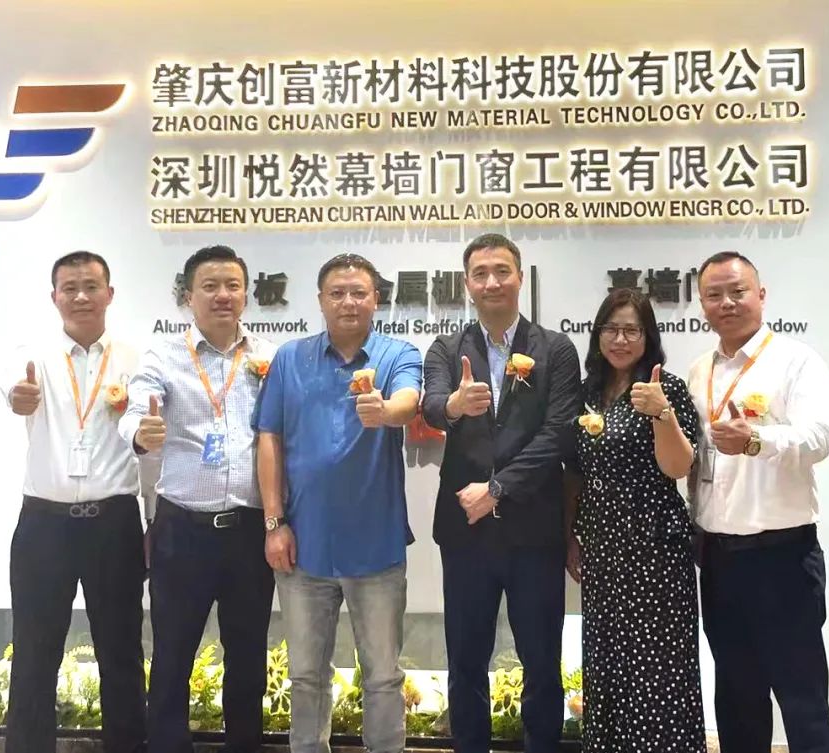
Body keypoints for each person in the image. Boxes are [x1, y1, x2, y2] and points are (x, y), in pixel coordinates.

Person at [421, 233, 580, 753]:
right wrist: (454, 406)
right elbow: (431, 405)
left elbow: (559, 433)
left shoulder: (555, 349)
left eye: (501, 271)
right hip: (466, 533)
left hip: (533, 531)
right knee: (466, 661)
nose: (492, 282)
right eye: (481, 273)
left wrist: (497, 489)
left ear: (520, 277)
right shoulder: (447, 348)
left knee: (541, 661)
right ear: (467, 284)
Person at [257, 253, 421, 753]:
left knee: (383, 676)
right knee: (306, 676)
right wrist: (274, 523)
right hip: (303, 547)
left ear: (376, 299)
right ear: (321, 300)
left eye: (359, 293)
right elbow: (269, 438)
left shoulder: (397, 353)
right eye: (337, 293)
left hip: (376, 548)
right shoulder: (290, 358)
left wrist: (385, 411)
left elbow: (409, 401)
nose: (348, 302)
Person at [119, 245, 277, 753]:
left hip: (249, 531)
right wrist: (140, 431)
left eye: (232, 285)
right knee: (172, 656)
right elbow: (136, 408)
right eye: (210, 286)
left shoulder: (269, 358)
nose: (222, 295)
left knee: (248, 657)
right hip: (183, 531)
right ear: (188, 296)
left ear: (246, 295)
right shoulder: (163, 356)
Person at [688, 251, 829, 753]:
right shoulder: (699, 371)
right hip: (718, 558)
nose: (727, 303)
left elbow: (819, 438)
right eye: (714, 295)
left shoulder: (796, 360)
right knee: (736, 699)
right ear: (702, 304)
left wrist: (755, 440)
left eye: (738, 291)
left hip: (782, 557)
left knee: (802, 699)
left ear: (761, 294)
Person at [3, 251, 147, 753]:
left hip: (114, 522)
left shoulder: (135, 360)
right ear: (54, 297)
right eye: (70, 288)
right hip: (45, 525)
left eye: (91, 286)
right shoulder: (33, 354)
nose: (81, 296)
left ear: (110, 293)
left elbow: (147, 435)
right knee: (34, 653)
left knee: (122, 652)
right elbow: (13, 388)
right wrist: (18, 396)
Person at [563, 289, 704, 753]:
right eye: (612, 329)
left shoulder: (667, 389)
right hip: (603, 552)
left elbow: (678, 467)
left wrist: (661, 412)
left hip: (655, 552)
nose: (620, 339)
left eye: (631, 330)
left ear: (648, 337)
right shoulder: (586, 394)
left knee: (659, 673)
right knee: (608, 668)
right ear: (598, 334)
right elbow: (575, 473)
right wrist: (571, 537)